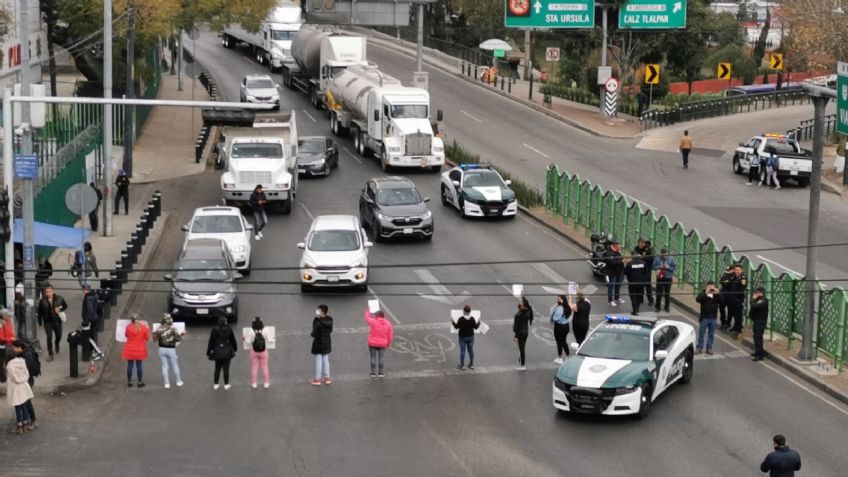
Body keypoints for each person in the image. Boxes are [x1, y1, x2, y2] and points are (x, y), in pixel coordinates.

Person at [5, 341, 34, 434]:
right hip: (23, 387)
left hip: (15, 389)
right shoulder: (22, 361)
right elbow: (27, 374)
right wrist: (23, 380)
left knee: (18, 408)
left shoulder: (10, 365)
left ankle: (19, 427)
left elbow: (14, 378)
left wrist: (19, 380)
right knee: (24, 406)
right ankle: (25, 425)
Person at [37, 285, 67, 362]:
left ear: (53, 291)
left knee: (59, 336)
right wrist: (40, 323)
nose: (48, 293)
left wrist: (60, 309)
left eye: (49, 291)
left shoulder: (59, 298)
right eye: (46, 292)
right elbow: (39, 313)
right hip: (47, 322)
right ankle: (50, 354)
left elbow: (65, 306)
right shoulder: (42, 301)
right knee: (49, 338)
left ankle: (57, 344)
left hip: (57, 321)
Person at [152, 313, 183, 389]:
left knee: (165, 366)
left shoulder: (159, 329)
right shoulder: (173, 329)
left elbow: (154, 340)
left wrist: (154, 333)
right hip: (171, 349)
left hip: (161, 349)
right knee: (175, 365)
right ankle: (178, 381)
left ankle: (166, 383)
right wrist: (181, 333)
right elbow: (178, 339)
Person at [207, 316, 237, 390]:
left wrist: (208, 351)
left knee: (217, 368)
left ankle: (216, 384)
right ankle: (226, 384)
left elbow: (211, 341)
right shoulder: (229, 329)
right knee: (226, 368)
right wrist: (235, 349)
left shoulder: (214, 330)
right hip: (227, 351)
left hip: (217, 351)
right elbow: (233, 340)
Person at [16, 340, 40, 430]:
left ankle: (33, 421)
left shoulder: (27, 355)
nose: (14, 349)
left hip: (28, 380)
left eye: (15, 347)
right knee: (25, 401)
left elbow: (27, 368)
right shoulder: (25, 353)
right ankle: (28, 419)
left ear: (20, 347)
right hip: (27, 380)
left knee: (27, 401)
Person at [245, 316, 274, 389]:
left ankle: (254, 384)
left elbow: (248, 342)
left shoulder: (251, 330)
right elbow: (270, 340)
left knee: (254, 367)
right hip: (263, 351)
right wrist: (274, 340)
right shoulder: (265, 330)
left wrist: (244, 338)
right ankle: (266, 383)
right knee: (264, 367)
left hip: (254, 351)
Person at [365, 308, 394, 378]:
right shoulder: (388, 324)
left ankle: (372, 373)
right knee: (381, 357)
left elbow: (367, 317)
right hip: (383, 344)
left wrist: (369, 310)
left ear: (376, 316)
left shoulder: (373, 321)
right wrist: (389, 343)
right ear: (383, 316)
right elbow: (390, 335)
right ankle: (381, 373)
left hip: (372, 343)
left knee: (373, 357)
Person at [122, 314, 149, 388]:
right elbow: (147, 338)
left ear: (131, 320)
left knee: (130, 365)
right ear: (139, 320)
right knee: (139, 365)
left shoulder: (128, 327)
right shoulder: (143, 328)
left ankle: (129, 381)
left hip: (130, 349)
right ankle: (140, 382)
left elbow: (126, 335)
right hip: (140, 349)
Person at [452, 304, 480, 371]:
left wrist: (452, 321)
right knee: (471, 350)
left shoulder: (461, 319)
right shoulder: (472, 319)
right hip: (470, 337)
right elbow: (476, 327)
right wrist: (479, 322)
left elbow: (456, 327)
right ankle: (471, 364)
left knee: (462, 351)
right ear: (470, 311)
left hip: (462, 337)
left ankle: (462, 365)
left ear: (464, 311)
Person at [310, 305, 333, 385]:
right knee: (326, 360)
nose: (317, 311)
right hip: (327, 342)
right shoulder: (330, 319)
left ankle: (317, 379)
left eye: (319, 310)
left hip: (318, 343)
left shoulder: (317, 321)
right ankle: (327, 378)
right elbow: (330, 330)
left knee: (318, 360)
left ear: (322, 312)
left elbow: (313, 334)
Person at [695, 282, 720, 355]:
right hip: (704, 317)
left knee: (711, 334)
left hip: (713, 318)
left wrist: (718, 293)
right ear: (706, 287)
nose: (711, 288)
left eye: (712, 287)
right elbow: (698, 299)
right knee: (701, 333)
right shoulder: (703, 293)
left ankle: (709, 348)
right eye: (709, 286)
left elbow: (722, 301)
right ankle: (699, 347)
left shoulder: (715, 295)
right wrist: (706, 292)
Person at [723, 263, 748, 338]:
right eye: (736, 270)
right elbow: (728, 282)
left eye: (738, 270)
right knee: (733, 313)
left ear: (741, 270)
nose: (736, 271)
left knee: (738, 315)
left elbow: (742, 289)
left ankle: (738, 329)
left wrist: (737, 298)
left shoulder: (743, 278)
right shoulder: (734, 276)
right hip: (732, 298)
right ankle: (734, 327)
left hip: (738, 299)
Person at [81, 284, 103, 360]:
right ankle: (93, 351)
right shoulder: (95, 295)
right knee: (92, 335)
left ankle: (98, 352)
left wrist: (86, 321)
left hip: (90, 320)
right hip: (95, 318)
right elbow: (99, 307)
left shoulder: (88, 298)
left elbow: (90, 310)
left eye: (84, 290)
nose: (83, 291)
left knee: (89, 337)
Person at [513, 297, 534, 371]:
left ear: (523, 306)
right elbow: (529, 306)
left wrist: (515, 336)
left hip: (521, 333)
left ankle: (522, 365)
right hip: (526, 332)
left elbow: (518, 327)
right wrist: (522, 296)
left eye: (521, 303)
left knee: (521, 349)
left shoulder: (519, 315)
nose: (519, 303)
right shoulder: (528, 311)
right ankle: (520, 363)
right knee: (522, 348)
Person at [633, 238, 654, 306]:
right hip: (639, 269)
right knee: (640, 285)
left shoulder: (648, 249)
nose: (640, 246)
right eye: (639, 244)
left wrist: (641, 257)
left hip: (647, 269)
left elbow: (650, 258)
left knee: (647, 286)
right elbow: (634, 255)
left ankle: (650, 300)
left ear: (644, 244)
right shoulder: (636, 248)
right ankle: (640, 299)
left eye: (641, 244)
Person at [549, 295, 571, 363]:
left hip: (559, 327)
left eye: (559, 299)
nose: (557, 300)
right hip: (566, 325)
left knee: (559, 342)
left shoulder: (560, 308)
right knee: (564, 341)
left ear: (562, 300)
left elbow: (555, 318)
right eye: (557, 299)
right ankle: (568, 356)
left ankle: (560, 358)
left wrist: (552, 316)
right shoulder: (567, 307)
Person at [750, 287, 770, 361]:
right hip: (756, 321)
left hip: (760, 322)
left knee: (758, 337)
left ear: (761, 293)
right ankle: (757, 351)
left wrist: (753, 299)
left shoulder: (764, 301)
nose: (755, 294)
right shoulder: (758, 300)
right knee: (756, 337)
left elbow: (754, 306)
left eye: (757, 292)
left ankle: (760, 355)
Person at [605, 241, 625, 307]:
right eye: (619, 247)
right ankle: (610, 301)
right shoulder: (609, 253)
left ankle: (617, 298)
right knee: (611, 286)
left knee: (618, 285)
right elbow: (613, 263)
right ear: (615, 246)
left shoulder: (618, 252)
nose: (620, 248)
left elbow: (620, 259)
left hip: (619, 272)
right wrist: (621, 261)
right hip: (612, 272)